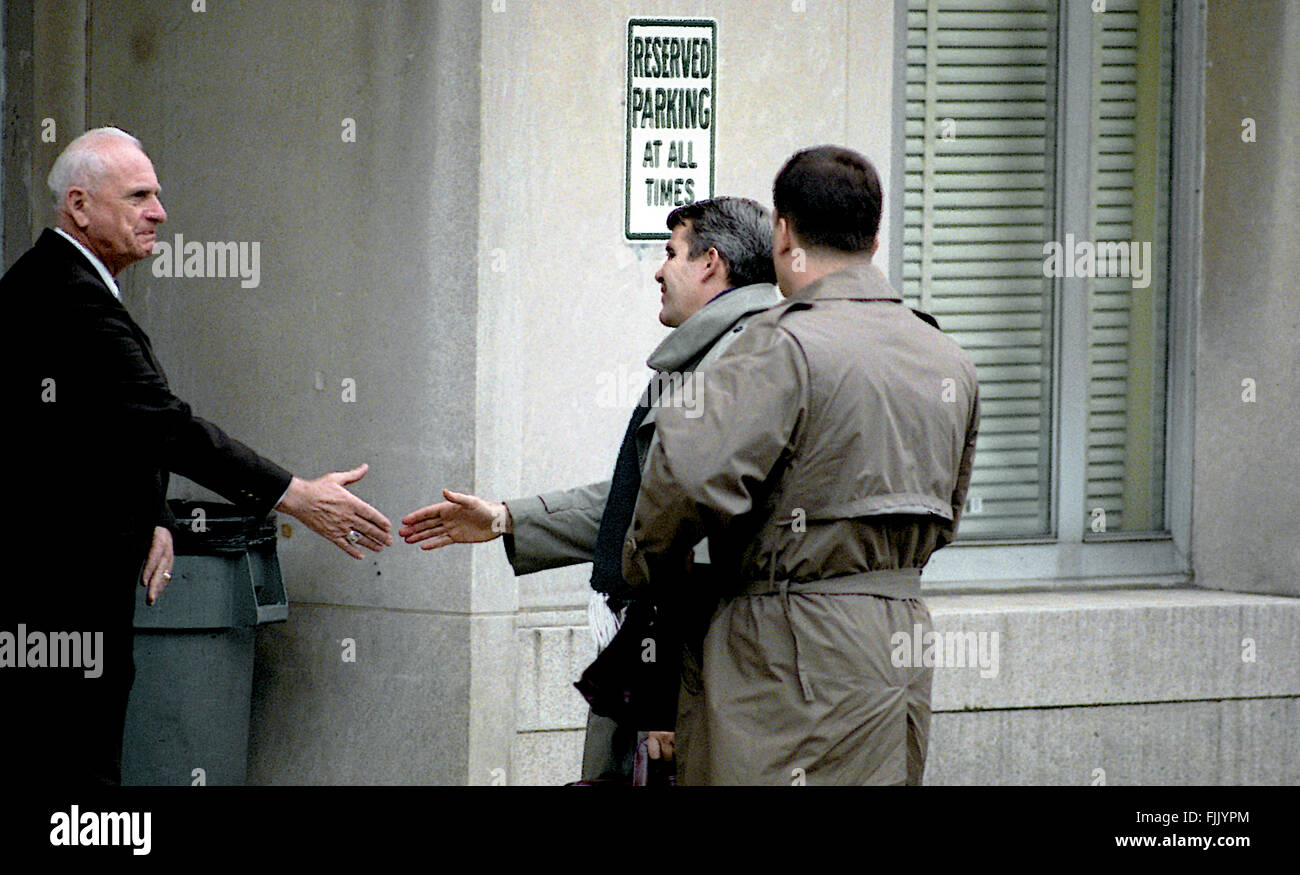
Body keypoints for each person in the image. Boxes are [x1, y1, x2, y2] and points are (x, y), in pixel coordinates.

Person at [4, 126, 394, 786]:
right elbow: (161, 421)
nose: (159, 211)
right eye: (138, 196)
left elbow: (104, 427)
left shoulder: (70, 283)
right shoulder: (67, 296)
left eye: (156, 194)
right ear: (79, 205)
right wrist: (293, 493)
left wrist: (152, 510)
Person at [621, 145, 980, 785]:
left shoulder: (781, 344)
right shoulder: (946, 356)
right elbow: (947, 513)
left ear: (784, 233)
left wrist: (648, 569)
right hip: (895, 644)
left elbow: (684, 480)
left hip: (779, 650)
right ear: (874, 235)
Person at [399, 196, 782, 782]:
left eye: (670, 254)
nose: (658, 270)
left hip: (688, 682)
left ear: (711, 263)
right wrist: (508, 519)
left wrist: (664, 696)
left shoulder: (731, 366)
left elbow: (704, 546)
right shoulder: (713, 356)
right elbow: (640, 503)